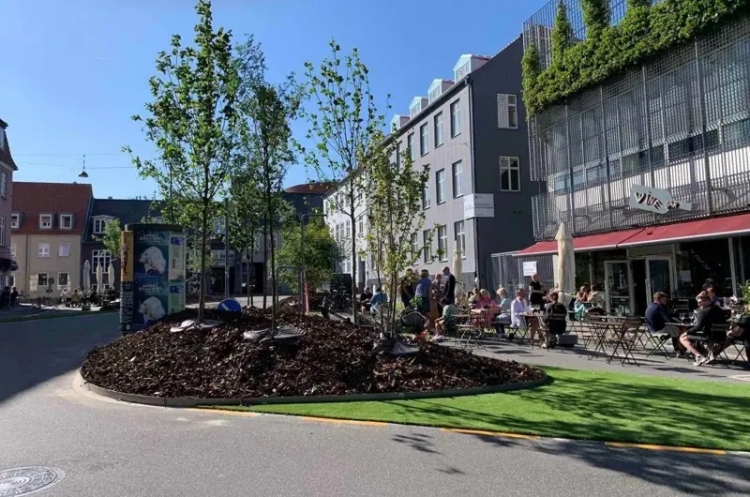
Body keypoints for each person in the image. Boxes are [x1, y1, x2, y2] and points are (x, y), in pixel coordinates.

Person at [679, 292, 727, 366]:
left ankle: (698, 356)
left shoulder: (703, 311)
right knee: (701, 335)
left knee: (683, 338)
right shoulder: (719, 310)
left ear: (708, 300)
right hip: (721, 336)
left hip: (708, 337)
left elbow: (698, 327)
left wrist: (686, 332)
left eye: (700, 302)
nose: (699, 304)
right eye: (698, 302)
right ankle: (709, 355)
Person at [645, 291, 683, 357]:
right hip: (659, 330)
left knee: (674, 328)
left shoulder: (650, 305)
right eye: (663, 299)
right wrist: (677, 319)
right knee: (679, 329)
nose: (665, 301)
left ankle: (679, 349)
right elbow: (668, 319)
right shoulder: (659, 307)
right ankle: (679, 350)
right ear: (658, 299)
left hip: (651, 330)